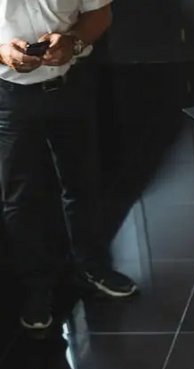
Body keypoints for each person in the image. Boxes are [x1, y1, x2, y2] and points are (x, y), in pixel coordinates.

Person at [0, 0, 136, 332]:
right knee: (19, 197)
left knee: (82, 183)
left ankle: (92, 268)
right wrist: (2, 53)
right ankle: (36, 289)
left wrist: (73, 42)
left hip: (70, 85)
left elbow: (100, 13)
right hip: (8, 96)